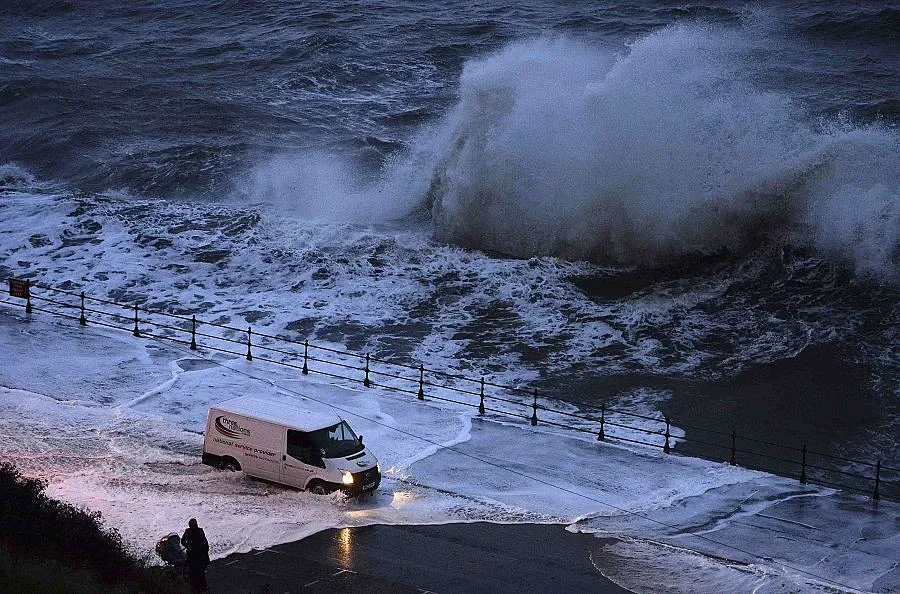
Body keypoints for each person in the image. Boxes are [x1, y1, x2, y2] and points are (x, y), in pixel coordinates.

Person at [181, 518, 211, 593]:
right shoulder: (199, 531)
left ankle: (198, 588)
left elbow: (183, 541)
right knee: (199, 573)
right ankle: (201, 588)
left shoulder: (190, 531)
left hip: (195, 555)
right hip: (199, 555)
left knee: (195, 572)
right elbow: (205, 543)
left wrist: (188, 546)